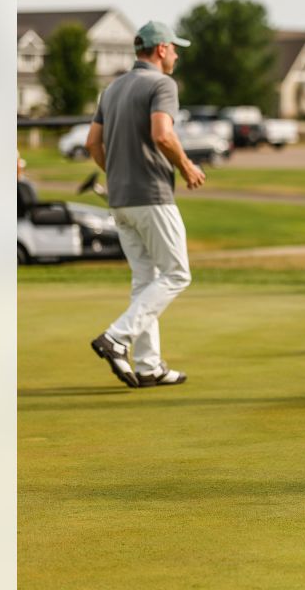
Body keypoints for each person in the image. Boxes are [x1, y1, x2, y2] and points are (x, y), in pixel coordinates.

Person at [85, 20, 206, 388]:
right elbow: (162, 133)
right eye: (174, 47)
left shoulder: (112, 88)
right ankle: (116, 337)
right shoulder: (162, 83)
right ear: (161, 49)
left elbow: (93, 144)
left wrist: (118, 173)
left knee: (145, 281)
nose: (177, 54)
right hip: (152, 195)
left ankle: (149, 365)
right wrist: (186, 167)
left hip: (120, 199)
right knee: (177, 273)